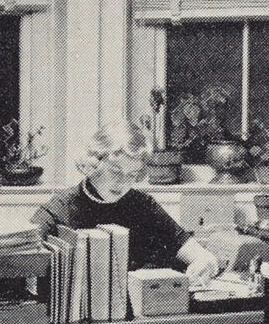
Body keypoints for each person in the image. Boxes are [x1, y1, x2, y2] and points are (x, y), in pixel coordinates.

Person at [32, 120, 221, 283]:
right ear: (93, 165)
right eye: (115, 171)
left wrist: (205, 263)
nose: (122, 182)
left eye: (132, 175)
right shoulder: (57, 210)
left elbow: (199, 255)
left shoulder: (145, 205)